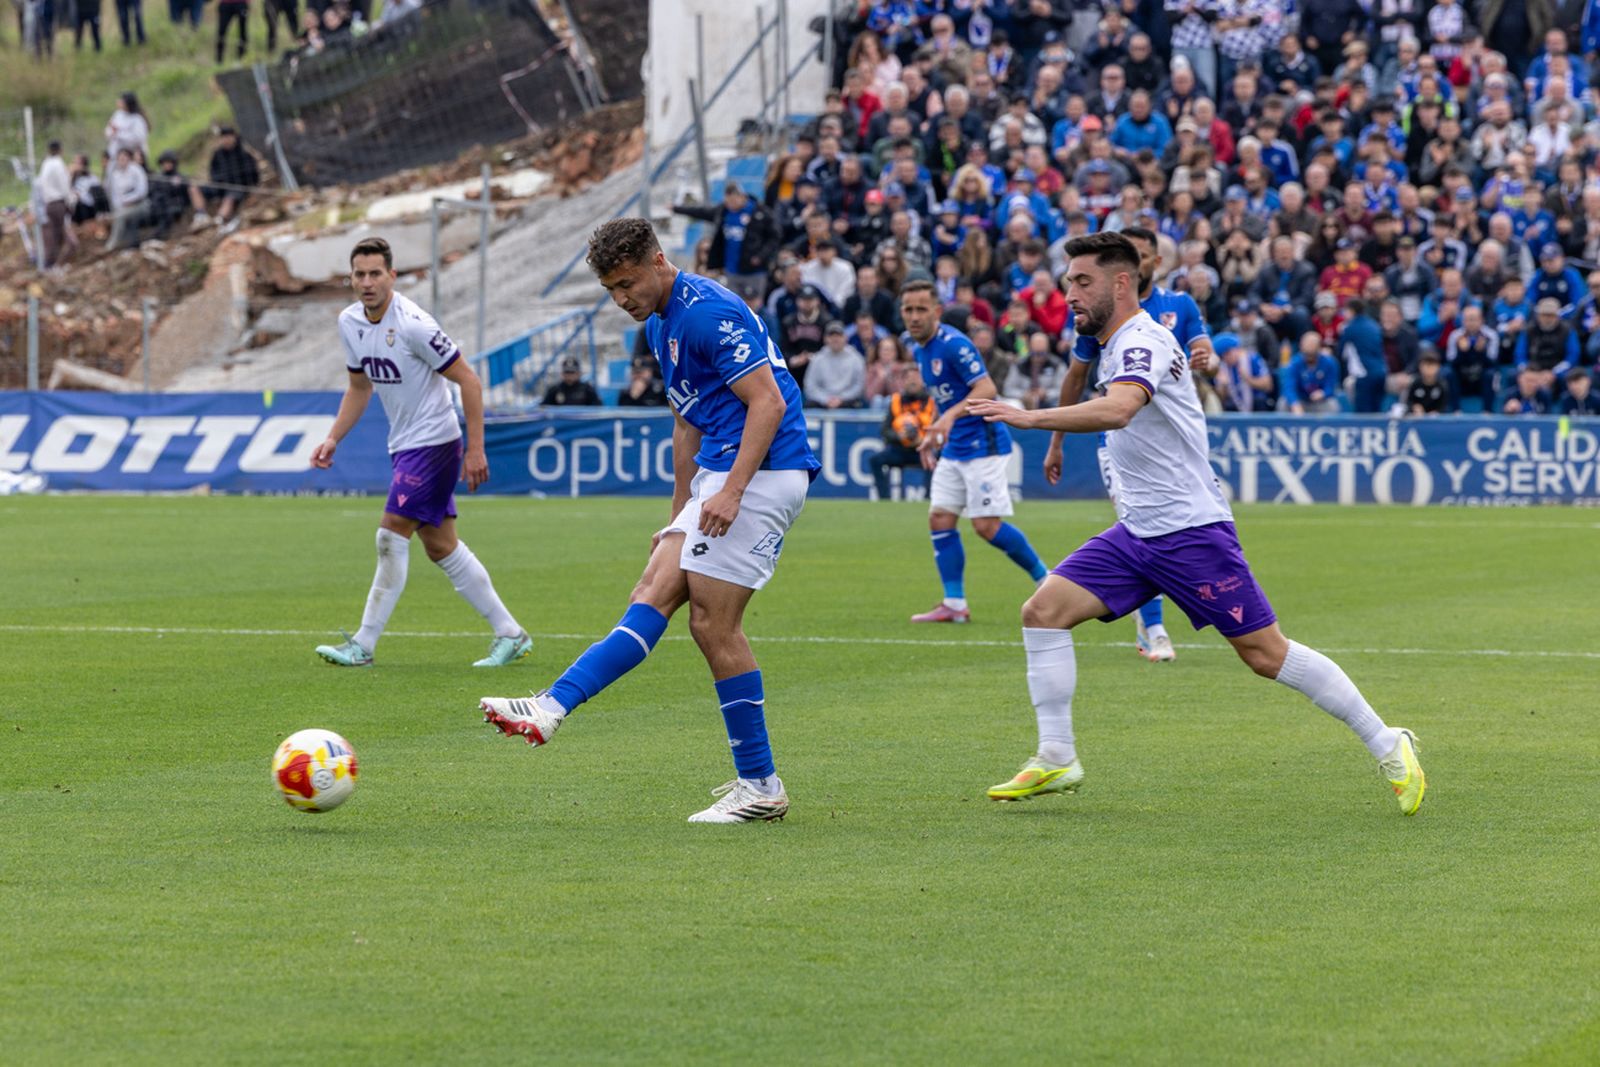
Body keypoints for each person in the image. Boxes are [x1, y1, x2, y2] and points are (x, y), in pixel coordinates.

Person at [967, 231, 1425, 816]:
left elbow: (1120, 408)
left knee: (1265, 654)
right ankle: (1057, 755)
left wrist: (1030, 419)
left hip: (1189, 532)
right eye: (1067, 283)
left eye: (1082, 282)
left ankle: (1388, 742)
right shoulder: (1114, 343)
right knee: (1042, 612)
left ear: (1122, 283)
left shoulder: (1143, 340)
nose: (1070, 294)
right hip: (1138, 532)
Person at [480, 218, 819, 824]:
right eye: (610, 289)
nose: (621, 298)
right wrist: (679, 512)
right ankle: (551, 707)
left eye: (627, 283)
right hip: (720, 471)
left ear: (659, 261)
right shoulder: (661, 322)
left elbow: (768, 402)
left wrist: (734, 491)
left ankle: (761, 786)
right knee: (651, 592)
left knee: (713, 625)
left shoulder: (705, 313)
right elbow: (686, 421)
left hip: (764, 471)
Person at [310, 237, 531, 670]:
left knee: (390, 535)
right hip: (404, 444)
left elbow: (469, 381)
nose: (367, 282)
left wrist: (475, 450)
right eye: (360, 274)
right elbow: (359, 387)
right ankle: (510, 633)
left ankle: (363, 643)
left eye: (376, 274)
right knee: (441, 546)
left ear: (392, 276)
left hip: (434, 443)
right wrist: (334, 437)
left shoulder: (414, 325)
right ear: (350, 279)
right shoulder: (349, 322)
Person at [1052, 226, 1214, 664]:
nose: (1138, 262)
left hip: (1167, 438)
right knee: (1138, 520)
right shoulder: (1097, 313)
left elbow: (1206, 353)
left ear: (1153, 263)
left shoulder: (1176, 307)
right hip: (1117, 440)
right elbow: (1076, 377)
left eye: (1143, 255)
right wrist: (1056, 440)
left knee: (1164, 529)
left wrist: (1208, 359)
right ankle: (1154, 627)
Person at [899, 277, 1049, 624]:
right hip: (955, 446)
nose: (914, 316)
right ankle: (954, 603)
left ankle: (1047, 580)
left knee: (985, 525)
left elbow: (986, 388)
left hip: (984, 444)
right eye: (908, 309)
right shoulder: (919, 348)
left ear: (937, 311)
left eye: (921, 309)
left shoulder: (954, 345)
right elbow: (946, 398)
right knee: (940, 517)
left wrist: (948, 418)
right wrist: (935, 430)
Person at [671, 182, 781, 301]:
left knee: (753, 303)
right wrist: (677, 209)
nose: (730, 205)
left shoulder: (760, 213)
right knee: (732, 303)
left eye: (733, 201)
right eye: (728, 202)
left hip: (754, 271)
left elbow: (775, 236)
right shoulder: (723, 212)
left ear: (742, 197)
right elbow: (702, 212)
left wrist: (760, 257)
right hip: (731, 270)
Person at [871, 364, 934, 500]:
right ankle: (884, 500)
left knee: (937, 459)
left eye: (916, 377)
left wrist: (924, 440)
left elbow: (939, 430)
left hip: (923, 449)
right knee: (875, 460)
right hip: (899, 449)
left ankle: (929, 499)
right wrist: (898, 436)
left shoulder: (931, 402)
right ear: (902, 381)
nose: (912, 381)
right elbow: (885, 430)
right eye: (908, 378)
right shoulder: (896, 401)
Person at [199, 126, 260, 233]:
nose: (226, 140)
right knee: (196, 188)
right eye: (223, 137)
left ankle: (220, 219)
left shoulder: (243, 153)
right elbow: (213, 173)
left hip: (239, 187)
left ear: (234, 137)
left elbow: (252, 175)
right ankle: (200, 214)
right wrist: (220, 182)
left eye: (228, 137)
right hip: (222, 187)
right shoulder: (217, 155)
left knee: (230, 198)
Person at [804, 321, 867, 408]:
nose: (835, 339)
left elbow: (859, 385)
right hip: (822, 401)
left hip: (847, 401)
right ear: (825, 339)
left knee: (857, 403)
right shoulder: (817, 359)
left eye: (839, 335)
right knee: (809, 404)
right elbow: (810, 386)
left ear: (845, 338)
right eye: (831, 336)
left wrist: (841, 399)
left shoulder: (856, 358)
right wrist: (825, 399)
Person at [104, 146, 150, 251]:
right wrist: (119, 206)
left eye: (124, 158)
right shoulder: (116, 174)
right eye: (119, 158)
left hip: (140, 204)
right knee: (117, 215)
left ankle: (112, 245)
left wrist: (127, 200)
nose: (121, 161)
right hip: (122, 207)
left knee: (119, 216)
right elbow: (114, 195)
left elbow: (142, 192)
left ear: (129, 158)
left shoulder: (136, 170)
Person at [36, 141, 71, 270]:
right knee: (58, 235)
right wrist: (69, 201)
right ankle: (53, 264)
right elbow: (64, 185)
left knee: (54, 234)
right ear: (60, 150)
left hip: (49, 203)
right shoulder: (58, 164)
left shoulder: (45, 164)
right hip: (58, 202)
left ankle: (51, 263)